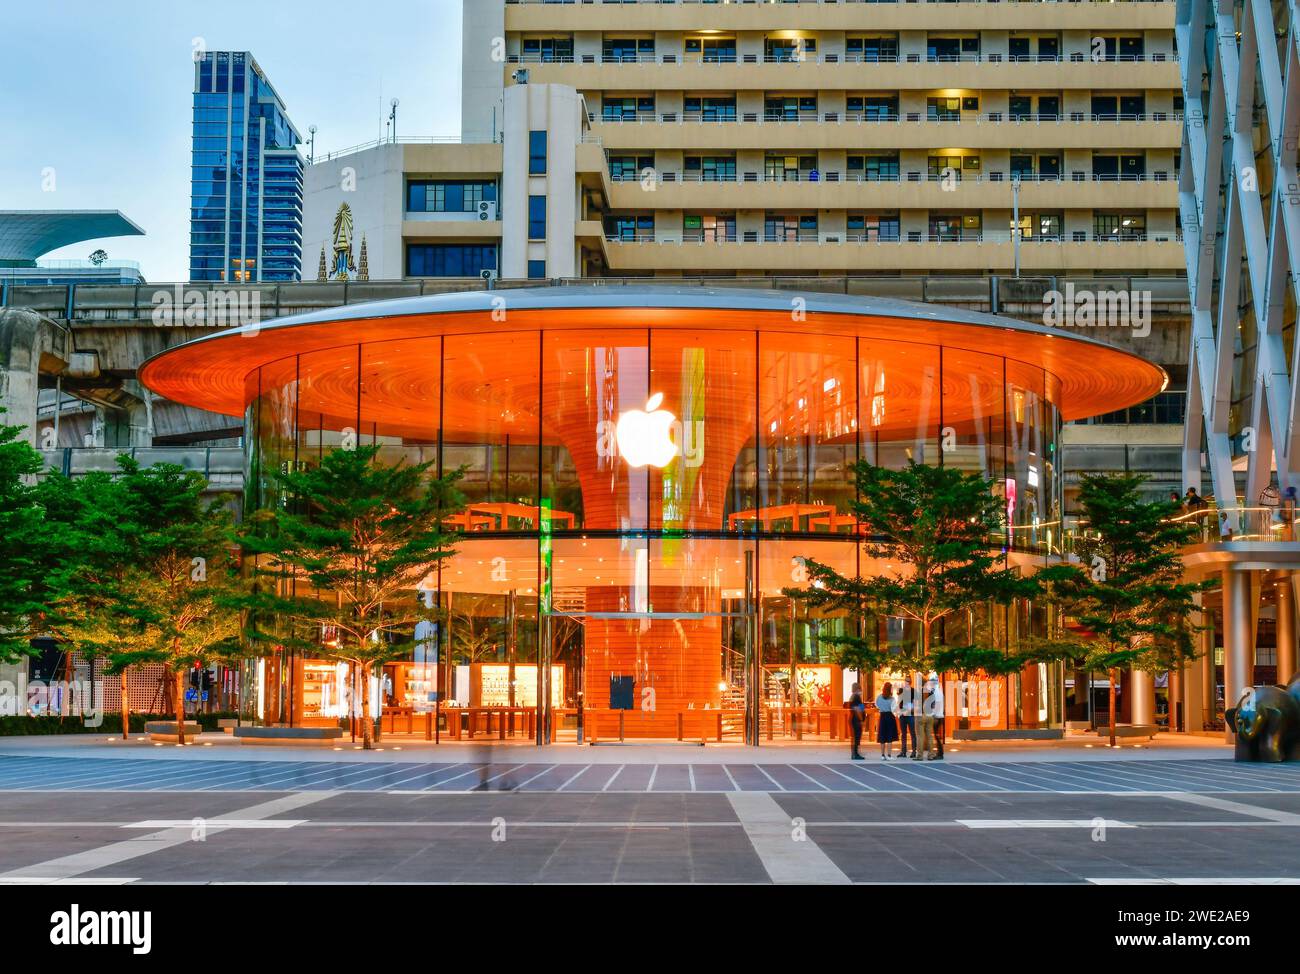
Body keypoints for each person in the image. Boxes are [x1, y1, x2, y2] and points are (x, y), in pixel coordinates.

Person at [921, 674, 945, 760]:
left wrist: (933, 715)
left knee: (936, 735)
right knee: (936, 735)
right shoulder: (938, 690)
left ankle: (940, 753)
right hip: (938, 715)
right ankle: (940, 752)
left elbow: (936, 704)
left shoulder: (936, 691)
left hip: (937, 716)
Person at [874, 682, 899, 759]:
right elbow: (894, 709)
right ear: (890, 689)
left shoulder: (879, 697)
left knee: (882, 735)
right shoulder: (892, 699)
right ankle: (889, 755)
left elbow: (876, 705)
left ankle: (882, 755)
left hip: (882, 717)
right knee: (889, 737)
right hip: (890, 717)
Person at [846, 682, 866, 760]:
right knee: (857, 736)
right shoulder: (857, 697)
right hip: (856, 719)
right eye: (860, 688)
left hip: (852, 718)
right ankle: (855, 754)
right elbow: (858, 709)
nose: (861, 690)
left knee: (854, 736)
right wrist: (861, 719)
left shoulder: (852, 697)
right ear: (858, 689)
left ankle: (854, 753)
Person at [897, 682, 915, 758]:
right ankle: (903, 751)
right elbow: (899, 700)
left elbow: (915, 702)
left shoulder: (913, 690)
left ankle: (914, 751)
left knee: (912, 734)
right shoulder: (901, 690)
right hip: (903, 715)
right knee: (903, 734)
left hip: (910, 714)